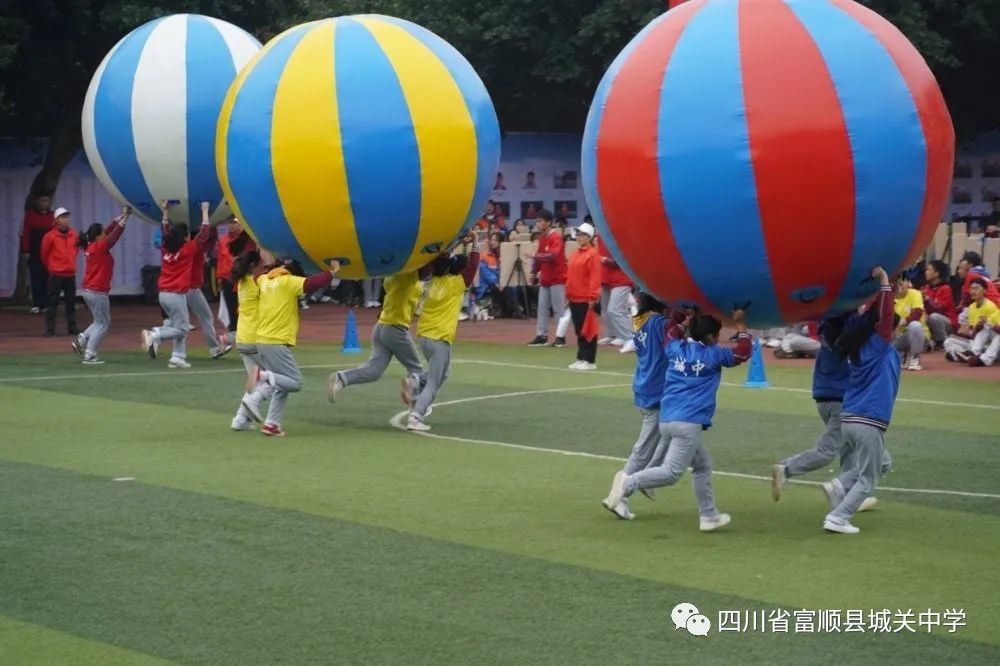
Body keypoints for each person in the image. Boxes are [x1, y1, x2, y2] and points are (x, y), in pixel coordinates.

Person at [602, 308, 752, 532]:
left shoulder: (676, 349)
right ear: (711, 337)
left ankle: (709, 515)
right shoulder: (713, 355)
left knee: (702, 465)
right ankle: (628, 482)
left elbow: (671, 334)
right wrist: (741, 325)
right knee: (671, 473)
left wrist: (686, 321)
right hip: (689, 422)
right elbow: (742, 353)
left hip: (668, 419)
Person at [821, 267, 900, 534]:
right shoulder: (877, 346)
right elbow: (885, 316)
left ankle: (840, 484)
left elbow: (875, 318)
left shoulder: (856, 347)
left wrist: (881, 292)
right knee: (868, 479)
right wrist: (885, 283)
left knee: (883, 462)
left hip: (851, 419)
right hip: (868, 420)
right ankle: (837, 518)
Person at [240, 254, 340, 436]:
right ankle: (260, 376)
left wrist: (274, 265)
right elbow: (312, 283)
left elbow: (256, 276)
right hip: (276, 341)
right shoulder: (288, 282)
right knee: (295, 382)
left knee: (281, 383)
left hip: (262, 340)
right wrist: (332, 272)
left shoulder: (263, 280)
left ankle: (272, 424)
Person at [603, 294, 671, 520]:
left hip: (644, 384)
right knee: (645, 447)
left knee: (668, 437)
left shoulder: (640, 320)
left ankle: (647, 478)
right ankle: (620, 494)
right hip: (656, 389)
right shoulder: (659, 323)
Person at [404, 236, 481, 431]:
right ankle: (416, 416)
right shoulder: (456, 284)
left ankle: (417, 379)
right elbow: (472, 266)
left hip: (424, 335)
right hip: (440, 338)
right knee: (434, 382)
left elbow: (439, 259)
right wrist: (475, 242)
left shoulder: (432, 282)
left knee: (444, 372)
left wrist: (455, 242)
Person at [327, 266, 428, 402]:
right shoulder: (408, 277)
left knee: (373, 371)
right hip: (395, 329)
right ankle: (416, 408)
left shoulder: (392, 278)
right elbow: (422, 270)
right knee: (416, 369)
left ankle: (343, 377)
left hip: (381, 327)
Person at [141, 201, 212, 368]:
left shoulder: (166, 248)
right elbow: (204, 234)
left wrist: (165, 211)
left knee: (178, 324)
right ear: (186, 237)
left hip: (163, 294)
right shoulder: (187, 250)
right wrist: (205, 210)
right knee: (182, 329)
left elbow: (165, 229)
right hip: (175, 294)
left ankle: (177, 357)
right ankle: (155, 334)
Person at [72, 207, 130, 364]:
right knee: (103, 324)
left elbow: (109, 230)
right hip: (98, 291)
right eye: (102, 233)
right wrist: (125, 220)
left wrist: (122, 216)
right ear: (98, 236)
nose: (105, 234)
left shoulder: (90, 245)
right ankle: (90, 354)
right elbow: (114, 236)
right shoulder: (100, 246)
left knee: (99, 321)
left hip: (88, 290)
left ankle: (82, 340)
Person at [186, 211, 231, 359]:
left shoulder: (177, 247)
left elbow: (208, 240)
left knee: (177, 323)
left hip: (175, 290)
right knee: (206, 318)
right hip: (191, 289)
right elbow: (208, 238)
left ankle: (156, 336)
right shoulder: (195, 248)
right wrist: (209, 218)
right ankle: (214, 348)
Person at [525, 209, 568, 347]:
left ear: (549, 222)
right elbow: (540, 256)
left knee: (558, 309)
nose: (538, 223)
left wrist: (534, 257)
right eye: (537, 220)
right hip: (545, 279)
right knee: (542, 308)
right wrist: (533, 271)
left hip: (557, 278)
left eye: (541, 221)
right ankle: (541, 336)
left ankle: (561, 337)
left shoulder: (555, 237)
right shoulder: (543, 238)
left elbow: (551, 256)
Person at [565, 222, 602, 370]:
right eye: (578, 234)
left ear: (589, 237)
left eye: (581, 235)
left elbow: (595, 276)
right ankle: (581, 356)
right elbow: (570, 276)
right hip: (574, 297)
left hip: (585, 298)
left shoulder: (592, 254)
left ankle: (589, 360)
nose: (579, 237)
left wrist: (593, 297)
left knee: (588, 329)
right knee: (579, 329)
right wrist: (567, 294)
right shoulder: (575, 254)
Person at [40, 207, 80, 337]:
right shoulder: (49, 236)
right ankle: (50, 328)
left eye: (67, 217)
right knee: (52, 302)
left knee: (71, 302)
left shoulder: (74, 234)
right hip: (56, 274)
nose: (65, 220)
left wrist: (71, 262)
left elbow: (76, 249)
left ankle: (72, 326)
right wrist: (52, 267)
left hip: (70, 274)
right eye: (62, 217)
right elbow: (44, 254)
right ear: (56, 220)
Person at [944, 277, 1000, 366]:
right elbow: (975, 334)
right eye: (971, 288)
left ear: (985, 291)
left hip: (993, 347)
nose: (973, 291)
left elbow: (992, 331)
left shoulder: (990, 307)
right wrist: (968, 332)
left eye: (976, 288)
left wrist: (982, 327)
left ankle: (980, 358)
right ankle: (968, 356)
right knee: (948, 341)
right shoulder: (972, 307)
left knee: (987, 327)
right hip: (982, 345)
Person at [216, 218, 253, 343]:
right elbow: (220, 261)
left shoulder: (247, 240)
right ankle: (234, 335)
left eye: (235, 223)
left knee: (245, 309)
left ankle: (243, 336)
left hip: (243, 280)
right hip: (228, 280)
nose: (231, 226)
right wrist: (220, 278)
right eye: (230, 223)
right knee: (232, 310)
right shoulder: (223, 240)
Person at [20, 193, 54, 314]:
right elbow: (26, 234)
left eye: (47, 200)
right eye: (42, 200)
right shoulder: (30, 216)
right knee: (35, 277)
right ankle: (36, 303)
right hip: (34, 252)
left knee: (47, 277)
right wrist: (26, 250)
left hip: (49, 253)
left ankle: (45, 303)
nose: (44, 203)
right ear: (37, 202)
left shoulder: (53, 216)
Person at [598, 236, 633, 348]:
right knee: (606, 310)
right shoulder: (600, 237)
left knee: (615, 310)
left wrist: (605, 261)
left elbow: (623, 260)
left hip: (621, 279)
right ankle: (614, 335)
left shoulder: (620, 236)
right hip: (606, 278)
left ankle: (630, 338)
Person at [892, 275, 928, 371]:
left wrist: (900, 323)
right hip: (898, 336)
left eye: (903, 281)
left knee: (915, 325)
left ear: (909, 283)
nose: (900, 285)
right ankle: (902, 355)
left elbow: (917, 313)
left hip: (919, 337)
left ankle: (915, 357)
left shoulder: (915, 293)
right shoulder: (889, 297)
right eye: (897, 282)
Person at [922, 259, 957, 349]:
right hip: (933, 320)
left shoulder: (946, 288)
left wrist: (928, 300)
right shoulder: (926, 288)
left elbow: (939, 309)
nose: (926, 272)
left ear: (937, 273)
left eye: (929, 270)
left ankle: (942, 341)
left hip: (948, 322)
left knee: (934, 317)